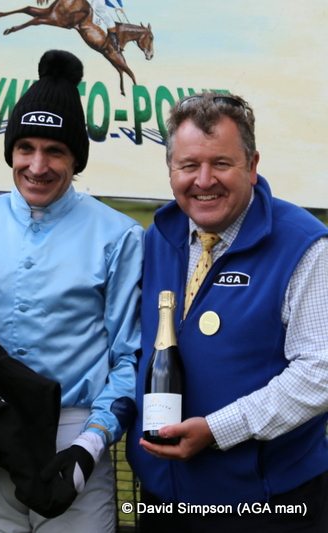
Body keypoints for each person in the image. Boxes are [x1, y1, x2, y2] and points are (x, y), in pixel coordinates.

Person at [0, 49, 143, 533]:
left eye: (56, 151)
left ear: (76, 159)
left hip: (76, 434)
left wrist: (89, 447)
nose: (38, 165)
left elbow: (129, 357)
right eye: (26, 147)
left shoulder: (120, 237)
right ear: (11, 151)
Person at [127, 91, 328, 531]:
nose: (203, 180)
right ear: (170, 170)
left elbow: (320, 372)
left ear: (252, 166)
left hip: (267, 504)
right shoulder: (159, 236)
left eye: (221, 163)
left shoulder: (306, 246)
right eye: (188, 165)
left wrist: (219, 429)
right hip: (163, 499)